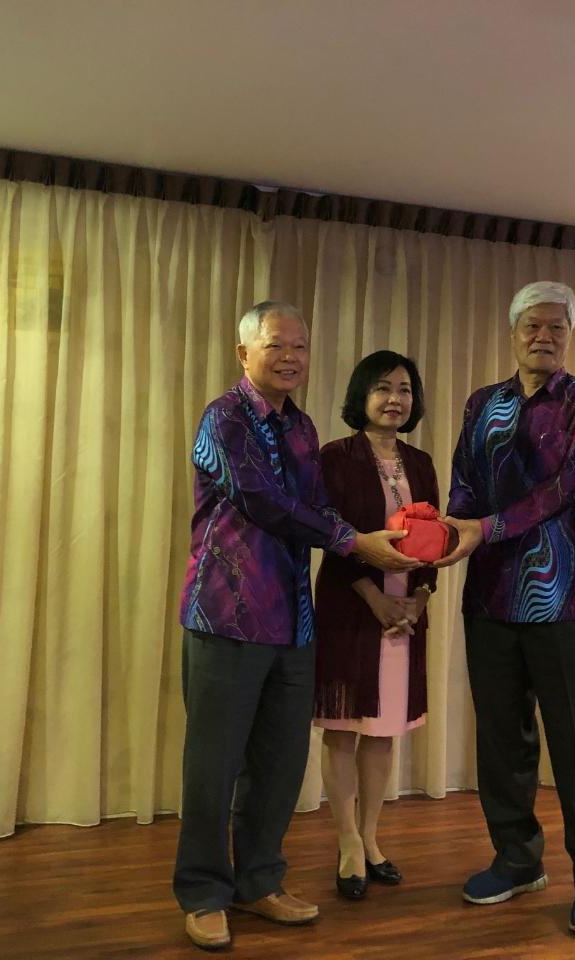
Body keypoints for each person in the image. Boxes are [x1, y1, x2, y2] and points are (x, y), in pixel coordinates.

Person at [174, 301, 420, 951]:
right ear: (244, 354)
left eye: (301, 348)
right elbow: (265, 502)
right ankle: (202, 891)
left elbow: (314, 505)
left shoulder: (304, 427)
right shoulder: (223, 419)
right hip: (226, 615)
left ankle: (259, 881)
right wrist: (354, 542)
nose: (291, 358)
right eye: (277, 346)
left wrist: (367, 538)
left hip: (294, 622)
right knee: (214, 765)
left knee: (279, 766)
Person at [436, 280, 575, 937]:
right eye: (531, 327)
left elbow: (562, 489)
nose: (543, 337)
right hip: (488, 598)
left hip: (567, 597)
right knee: (501, 740)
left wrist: (481, 530)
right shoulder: (482, 404)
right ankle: (517, 860)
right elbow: (465, 479)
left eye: (556, 328)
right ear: (513, 333)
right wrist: (444, 529)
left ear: (569, 337)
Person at [313, 351, 439, 900]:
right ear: (361, 396)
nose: (395, 399)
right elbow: (327, 532)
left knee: (383, 731)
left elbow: (434, 539)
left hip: (403, 618)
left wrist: (420, 599)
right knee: (344, 726)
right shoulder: (334, 457)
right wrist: (371, 595)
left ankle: (371, 839)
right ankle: (345, 843)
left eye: (405, 389)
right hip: (350, 608)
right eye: (383, 388)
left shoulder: (422, 461)